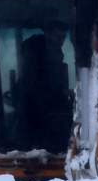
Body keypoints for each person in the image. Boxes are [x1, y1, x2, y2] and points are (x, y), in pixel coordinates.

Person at [16, 19, 73, 151]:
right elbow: (36, 88)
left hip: (47, 109)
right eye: (58, 36)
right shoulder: (37, 57)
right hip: (35, 112)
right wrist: (61, 93)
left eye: (63, 37)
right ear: (47, 34)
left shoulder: (53, 54)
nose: (61, 41)